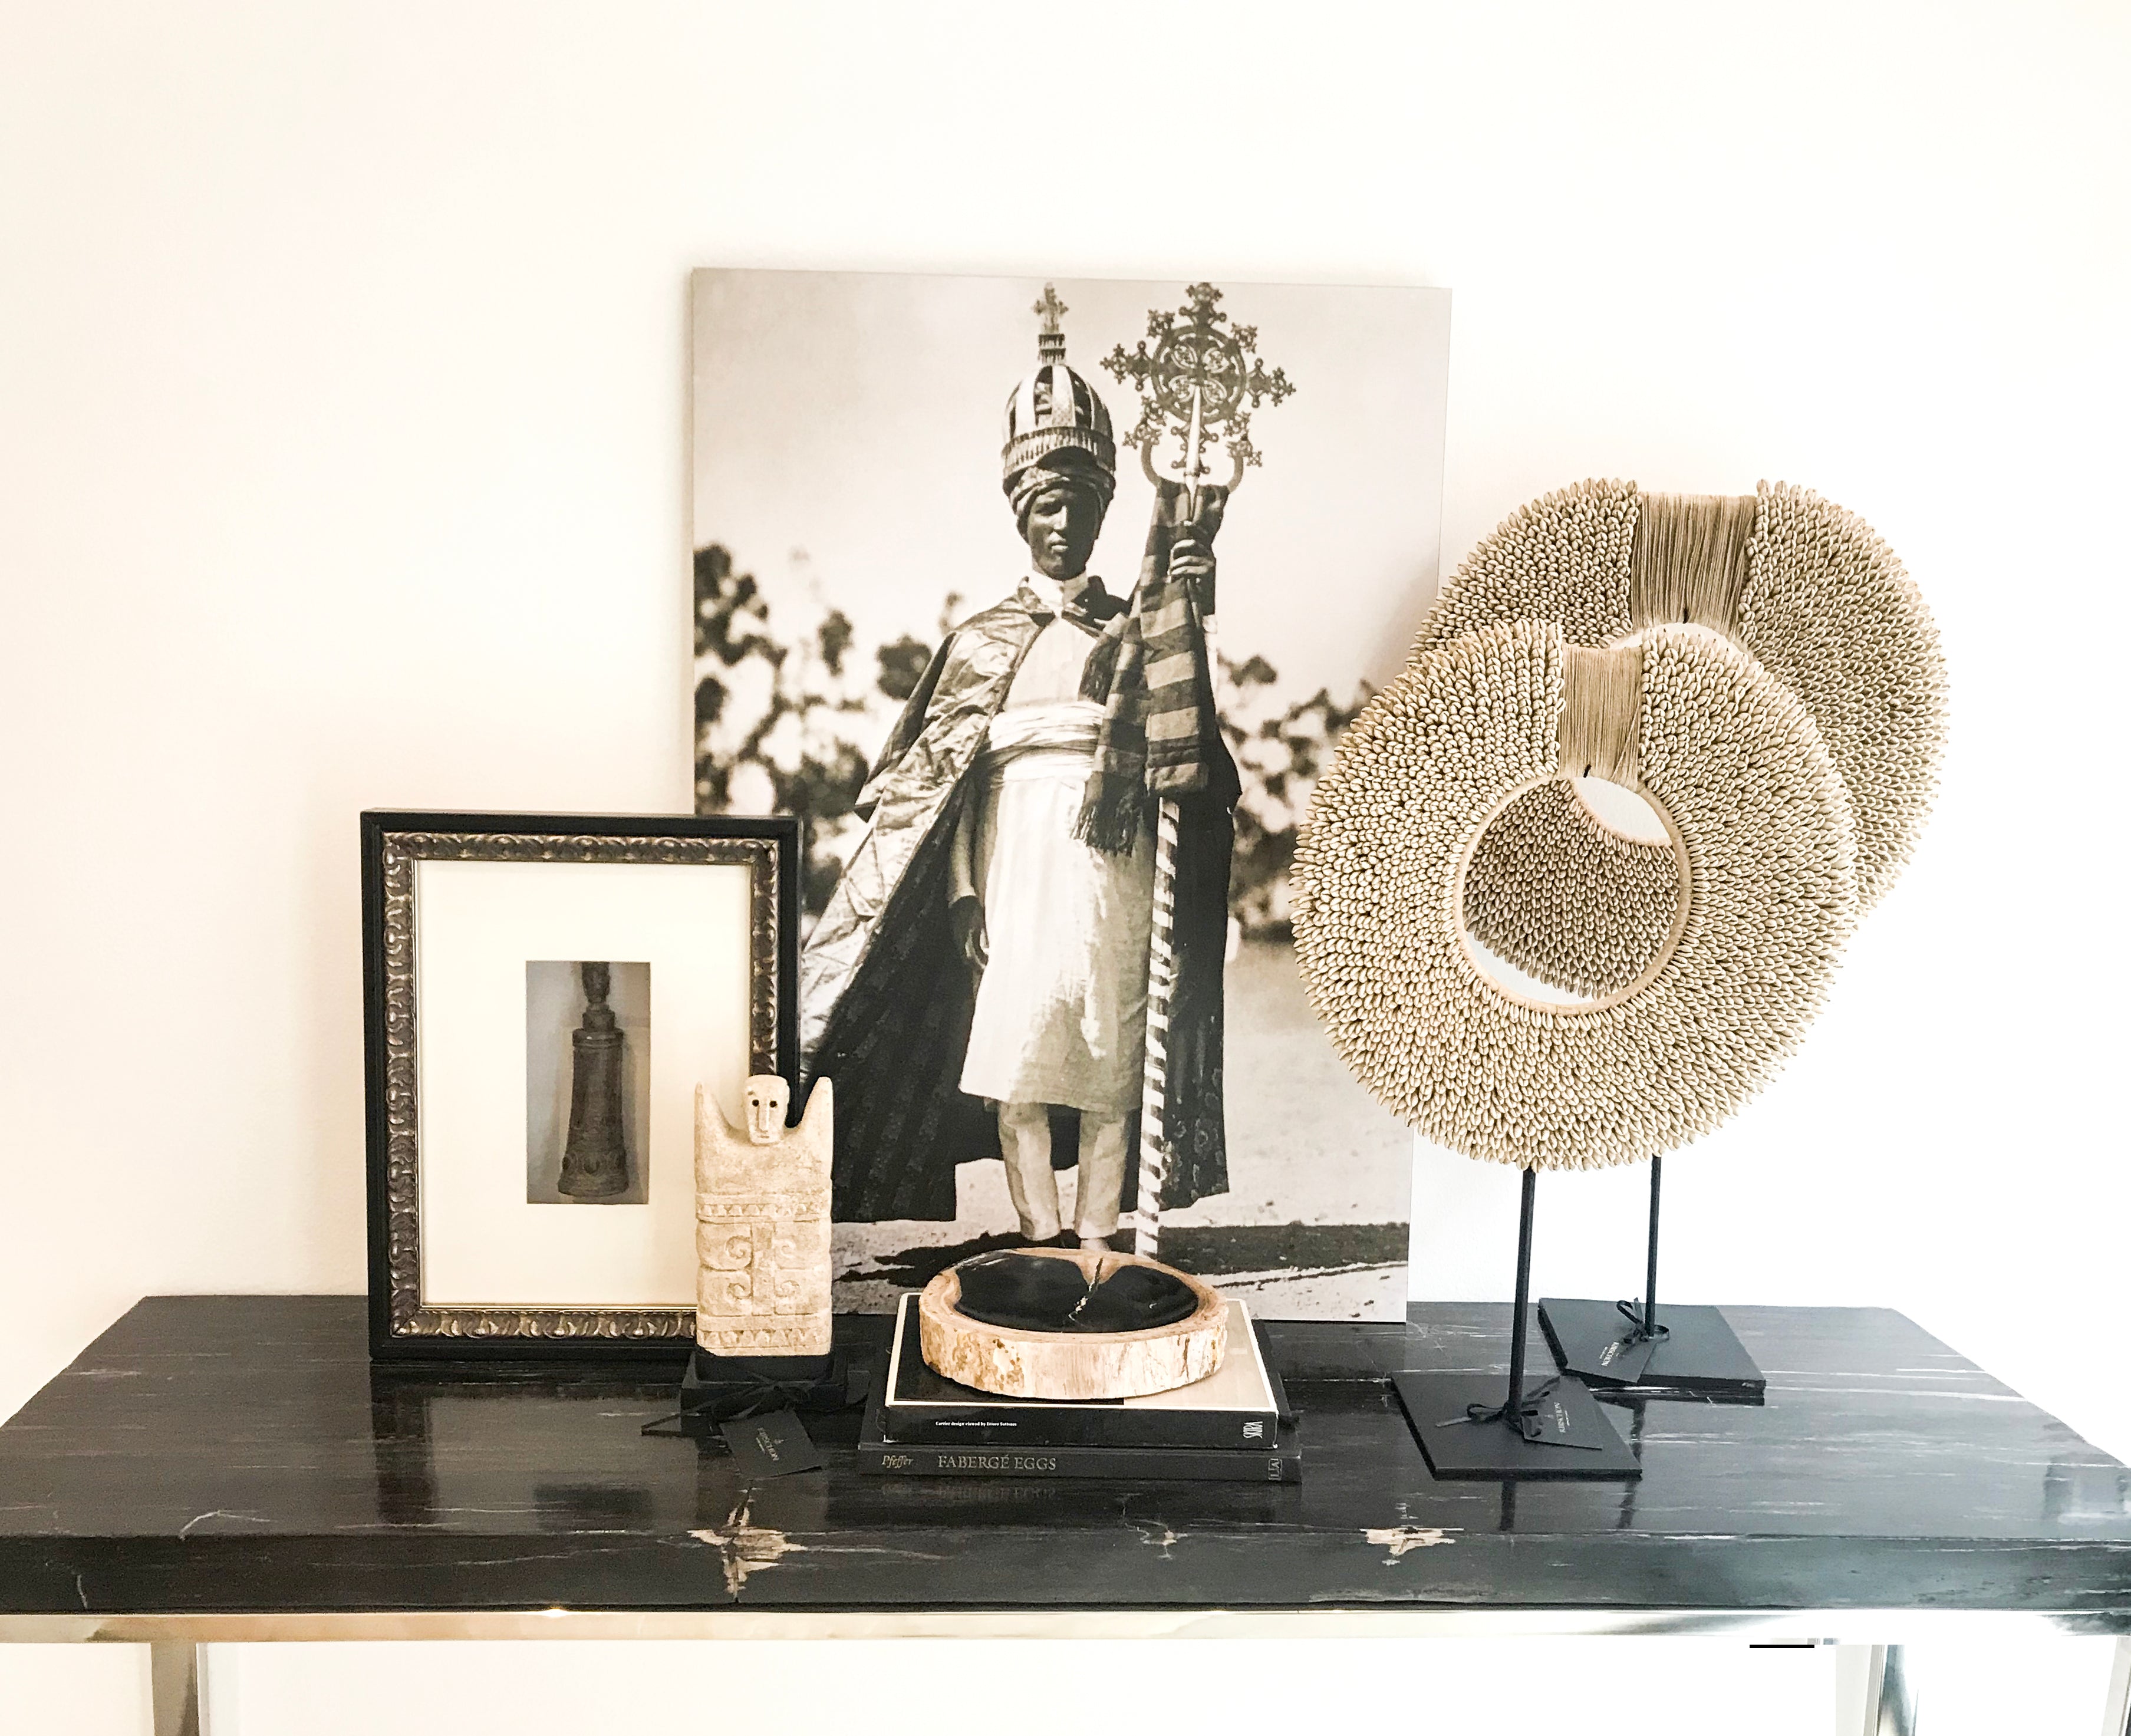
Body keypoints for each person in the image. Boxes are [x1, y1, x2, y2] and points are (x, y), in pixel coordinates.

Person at [800, 290, 1236, 1246]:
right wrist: (962, 895)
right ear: (1019, 515)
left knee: (1112, 1060)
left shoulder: (1141, 629)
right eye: (1045, 504)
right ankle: (1039, 1235)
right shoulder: (977, 642)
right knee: (1016, 1060)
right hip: (1009, 878)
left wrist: (1190, 618)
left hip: (1114, 877)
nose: (1062, 522)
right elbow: (946, 793)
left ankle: (1097, 1238)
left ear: (1105, 509)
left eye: (1079, 503)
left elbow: (1191, 756)